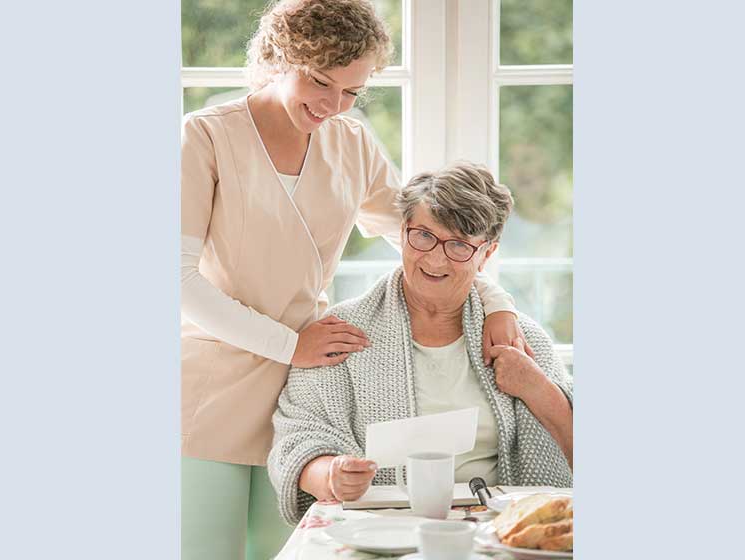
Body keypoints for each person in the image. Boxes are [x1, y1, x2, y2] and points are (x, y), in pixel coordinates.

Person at [181, 1, 527, 558]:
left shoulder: (351, 141)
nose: (332, 105)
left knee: (300, 552)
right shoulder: (206, 137)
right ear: (278, 57)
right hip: (210, 389)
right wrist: (290, 345)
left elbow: (425, 238)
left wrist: (498, 301)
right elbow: (177, 281)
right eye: (320, 82)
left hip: (301, 398)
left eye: (351, 92)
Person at [268, 162, 574, 525]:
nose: (435, 258)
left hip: (498, 527)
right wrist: (330, 474)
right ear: (402, 231)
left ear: (486, 254)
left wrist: (536, 388)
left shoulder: (520, 340)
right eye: (424, 236)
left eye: (458, 244)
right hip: (377, 526)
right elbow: (296, 438)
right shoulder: (339, 335)